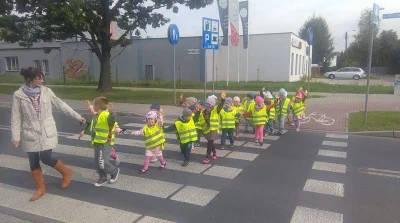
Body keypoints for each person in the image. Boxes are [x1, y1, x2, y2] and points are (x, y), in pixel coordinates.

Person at [11, 67, 86, 201]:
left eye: (42, 77)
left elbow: (61, 105)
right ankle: (41, 188)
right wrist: (15, 136)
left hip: (47, 130)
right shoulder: (19, 95)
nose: (42, 80)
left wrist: (77, 116)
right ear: (30, 80)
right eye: (39, 78)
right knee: (33, 160)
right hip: (30, 131)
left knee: (46, 157)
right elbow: (15, 117)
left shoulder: (46, 91)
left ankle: (66, 172)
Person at [79, 97, 120, 187]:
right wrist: (85, 131)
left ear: (97, 106)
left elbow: (113, 121)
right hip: (97, 142)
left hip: (105, 142)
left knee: (103, 162)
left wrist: (112, 112)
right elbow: (94, 129)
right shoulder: (97, 115)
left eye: (94, 105)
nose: (93, 106)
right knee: (97, 162)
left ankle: (114, 170)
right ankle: (103, 177)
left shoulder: (106, 114)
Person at [84, 100, 120, 166]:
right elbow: (94, 111)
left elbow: (115, 124)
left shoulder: (108, 116)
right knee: (103, 155)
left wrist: (118, 130)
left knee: (108, 154)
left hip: (107, 140)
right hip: (101, 140)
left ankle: (112, 162)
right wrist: (89, 105)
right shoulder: (99, 114)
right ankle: (103, 167)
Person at [197, 92, 226, 164]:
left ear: (213, 104)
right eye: (207, 103)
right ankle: (214, 152)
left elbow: (220, 106)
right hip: (206, 130)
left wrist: (222, 99)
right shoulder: (204, 110)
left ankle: (207, 157)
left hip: (213, 130)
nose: (208, 105)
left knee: (209, 143)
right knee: (210, 142)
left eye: (210, 104)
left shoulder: (216, 109)